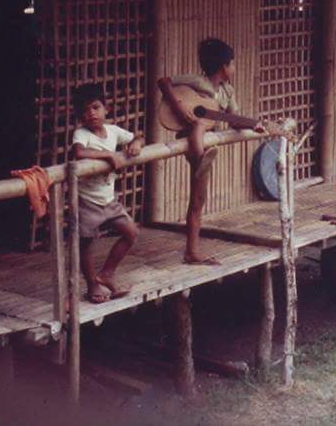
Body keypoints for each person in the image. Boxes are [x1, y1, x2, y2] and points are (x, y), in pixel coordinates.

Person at [158, 38, 264, 265]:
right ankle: (199, 158)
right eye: (233, 64)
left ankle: (191, 252)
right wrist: (180, 107)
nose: (234, 68)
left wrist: (253, 124)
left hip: (206, 142)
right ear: (224, 67)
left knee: (198, 200)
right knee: (198, 124)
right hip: (190, 137)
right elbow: (164, 82)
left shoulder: (227, 91)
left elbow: (234, 120)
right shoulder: (197, 81)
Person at [70, 83, 144, 304]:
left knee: (131, 232)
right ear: (79, 115)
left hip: (109, 200)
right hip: (88, 202)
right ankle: (92, 284)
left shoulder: (112, 131)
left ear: (106, 109)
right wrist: (108, 156)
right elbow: (79, 151)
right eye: (85, 110)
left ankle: (107, 273)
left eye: (95, 107)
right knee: (86, 244)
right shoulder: (81, 133)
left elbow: (136, 137)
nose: (91, 113)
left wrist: (137, 145)